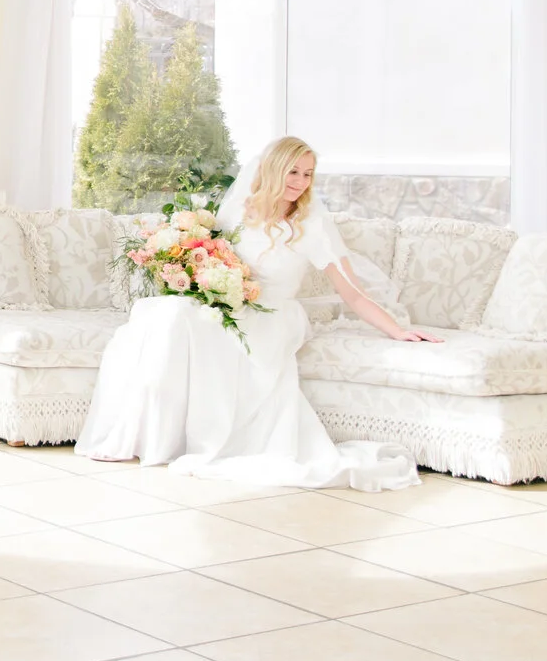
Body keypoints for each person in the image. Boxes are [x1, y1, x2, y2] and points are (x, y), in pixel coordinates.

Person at [74, 136, 423, 490]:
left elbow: (354, 294)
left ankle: (193, 441)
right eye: (293, 171)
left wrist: (397, 331)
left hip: (273, 315)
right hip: (228, 303)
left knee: (191, 324)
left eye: (308, 174)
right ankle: (138, 438)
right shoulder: (240, 211)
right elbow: (213, 257)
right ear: (271, 169)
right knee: (165, 313)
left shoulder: (312, 226)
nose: (300, 182)